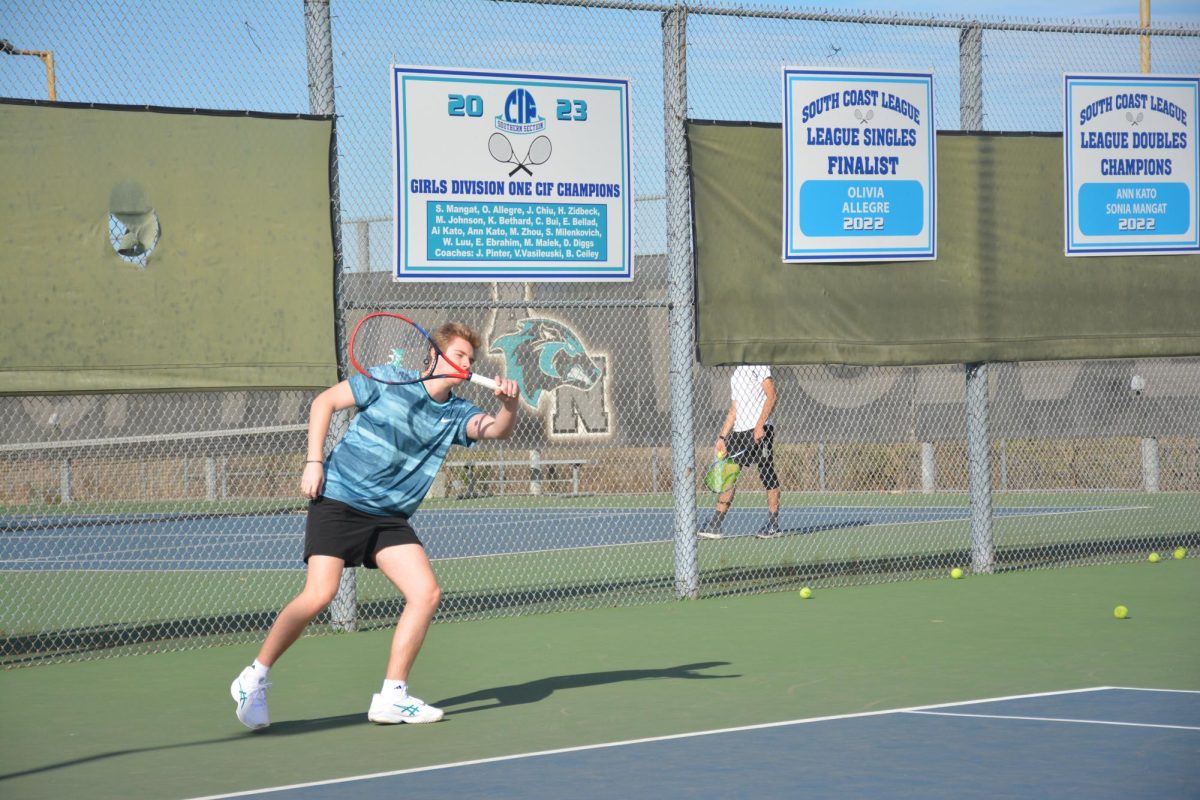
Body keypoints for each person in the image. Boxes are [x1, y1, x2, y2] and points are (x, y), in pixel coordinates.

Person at [230, 322, 519, 730]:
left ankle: (392, 697)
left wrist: (509, 405)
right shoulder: (389, 378)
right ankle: (253, 678)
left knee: (426, 593)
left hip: (389, 517)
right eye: (458, 356)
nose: (466, 364)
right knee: (320, 593)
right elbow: (324, 403)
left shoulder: (457, 412)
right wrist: (314, 461)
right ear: (434, 356)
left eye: (471, 361)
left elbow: (494, 430)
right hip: (340, 499)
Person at [698, 364, 781, 540]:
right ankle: (715, 524)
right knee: (729, 474)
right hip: (739, 432)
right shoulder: (736, 373)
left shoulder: (759, 365)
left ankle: (773, 524)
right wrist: (722, 437)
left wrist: (759, 426)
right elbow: (734, 409)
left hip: (761, 429)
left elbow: (772, 396)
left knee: (767, 473)